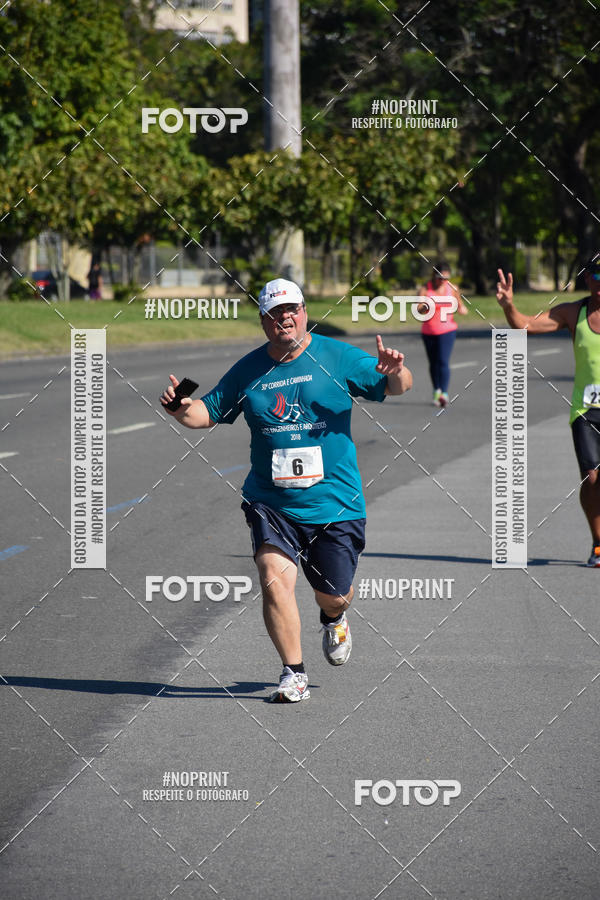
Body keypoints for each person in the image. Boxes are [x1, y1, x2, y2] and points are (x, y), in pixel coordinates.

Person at [160, 277, 413, 702]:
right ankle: (293, 673)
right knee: (273, 577)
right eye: (275, 313)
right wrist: (182, 408)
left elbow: (396, 386)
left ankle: (333, 618)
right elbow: (207, 413)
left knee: (334, 594)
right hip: (270, 499)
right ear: (263, 321)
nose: (285, 319)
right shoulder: (249, 369)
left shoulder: (335, 355)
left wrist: (396, 370)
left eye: (292, 309)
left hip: (335, 501)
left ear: (305, 312)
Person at [496, 259, 600, 567]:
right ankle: (598, 542)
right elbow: (524, 326)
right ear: (587, 279)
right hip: (585, 410)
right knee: (591, 479)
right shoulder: (573, 312)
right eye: (595, 274)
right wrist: (508, 307)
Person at [418, 261, 467, 407]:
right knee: (433, 363)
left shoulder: (452, 288)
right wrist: (426, 306)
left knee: (443, 361)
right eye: (440, 278)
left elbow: (460, 306)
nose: (443, 281)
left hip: (447, 330)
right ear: (434, 275)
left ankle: (444, 393)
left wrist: (462, 309)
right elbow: (419, 309)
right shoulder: (425, 289)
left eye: (446, 278)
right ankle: (436, 390)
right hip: (428, 331)